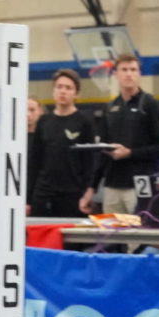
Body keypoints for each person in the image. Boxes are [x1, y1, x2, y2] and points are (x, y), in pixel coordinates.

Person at [88, 54, 159, 214]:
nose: (129, 74)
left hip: (140, 184)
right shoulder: (110, 107)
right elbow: (102, 153)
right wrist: (92, 187)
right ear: (116, 74)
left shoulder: (149, 104)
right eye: (124, 69)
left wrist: (130, 153)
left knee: (139, 236)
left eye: (133, 69)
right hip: (112, 185)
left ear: (139, 74)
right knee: (110, 236)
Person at [25, 70, 95, 217]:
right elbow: (35, 162)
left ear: (76, 94)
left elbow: (90, 162)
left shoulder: (84, 122)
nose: (63, 91)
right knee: (39, 238)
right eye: (59, 87)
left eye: (68, 88)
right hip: (43, 193)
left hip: (72, 193)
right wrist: (28, 199)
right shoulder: (44, 122)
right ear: (53, 91)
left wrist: (88, 191)